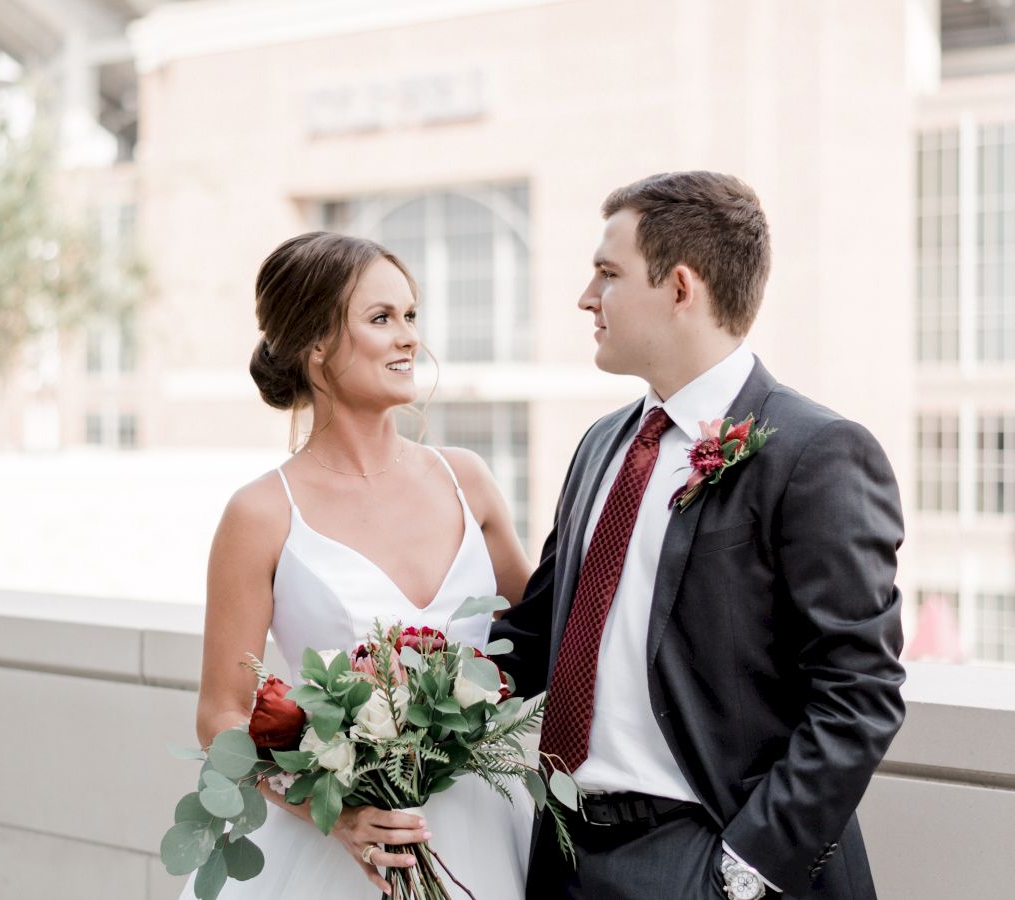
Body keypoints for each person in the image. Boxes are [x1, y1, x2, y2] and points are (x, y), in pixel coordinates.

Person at [492, 171, 905, 900]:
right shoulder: (599, 445)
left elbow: (858, 691)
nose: (586, 299)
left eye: (607, 275)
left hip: (706, 850)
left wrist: (743, 870)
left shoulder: (815, 452)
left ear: (681, 288)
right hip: (563, 852)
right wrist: (392, 705)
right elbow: (532, 638)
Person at [181, 231, 534, 899]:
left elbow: (548, 639)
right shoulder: (261, 514)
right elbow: (220, 714)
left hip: (485, 834)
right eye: (381, 319)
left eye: (410, 316)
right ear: (315, 346)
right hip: (334, 860)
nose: (408, 339)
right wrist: (332, 809)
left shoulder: (469, 481)